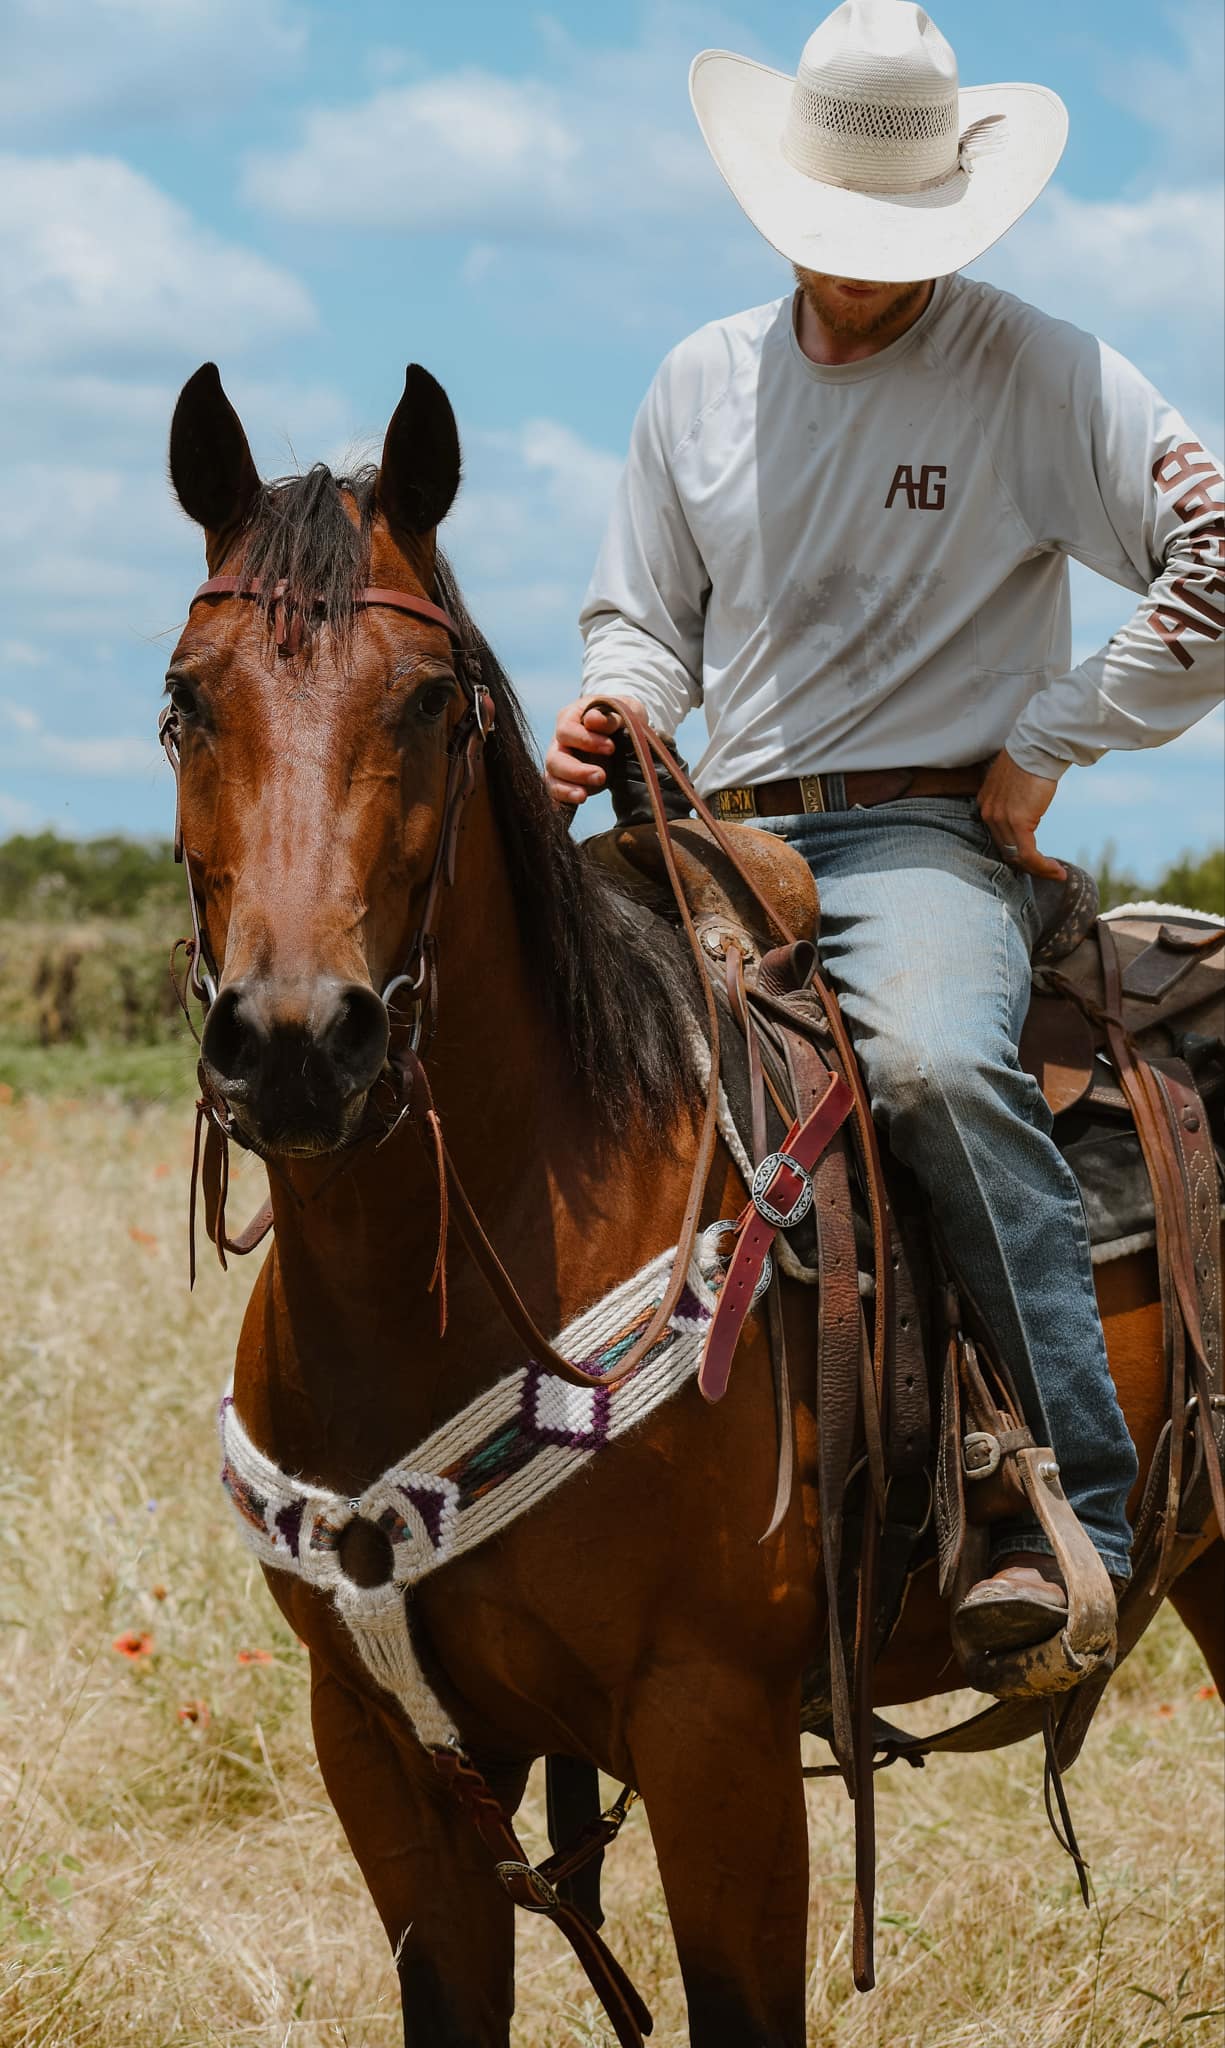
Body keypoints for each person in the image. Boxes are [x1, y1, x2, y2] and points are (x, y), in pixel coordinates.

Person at [545, 0, 1225, 1655]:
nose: (856, 269)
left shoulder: (1036, 368)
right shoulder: (697, 380)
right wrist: (620, 705)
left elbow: (1217, 563)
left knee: (925, 1062)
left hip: (918, 842)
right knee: (510, 1023)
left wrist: (1047, 739)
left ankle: (1072, 1486)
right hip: (708, 832)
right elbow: (643, 619)